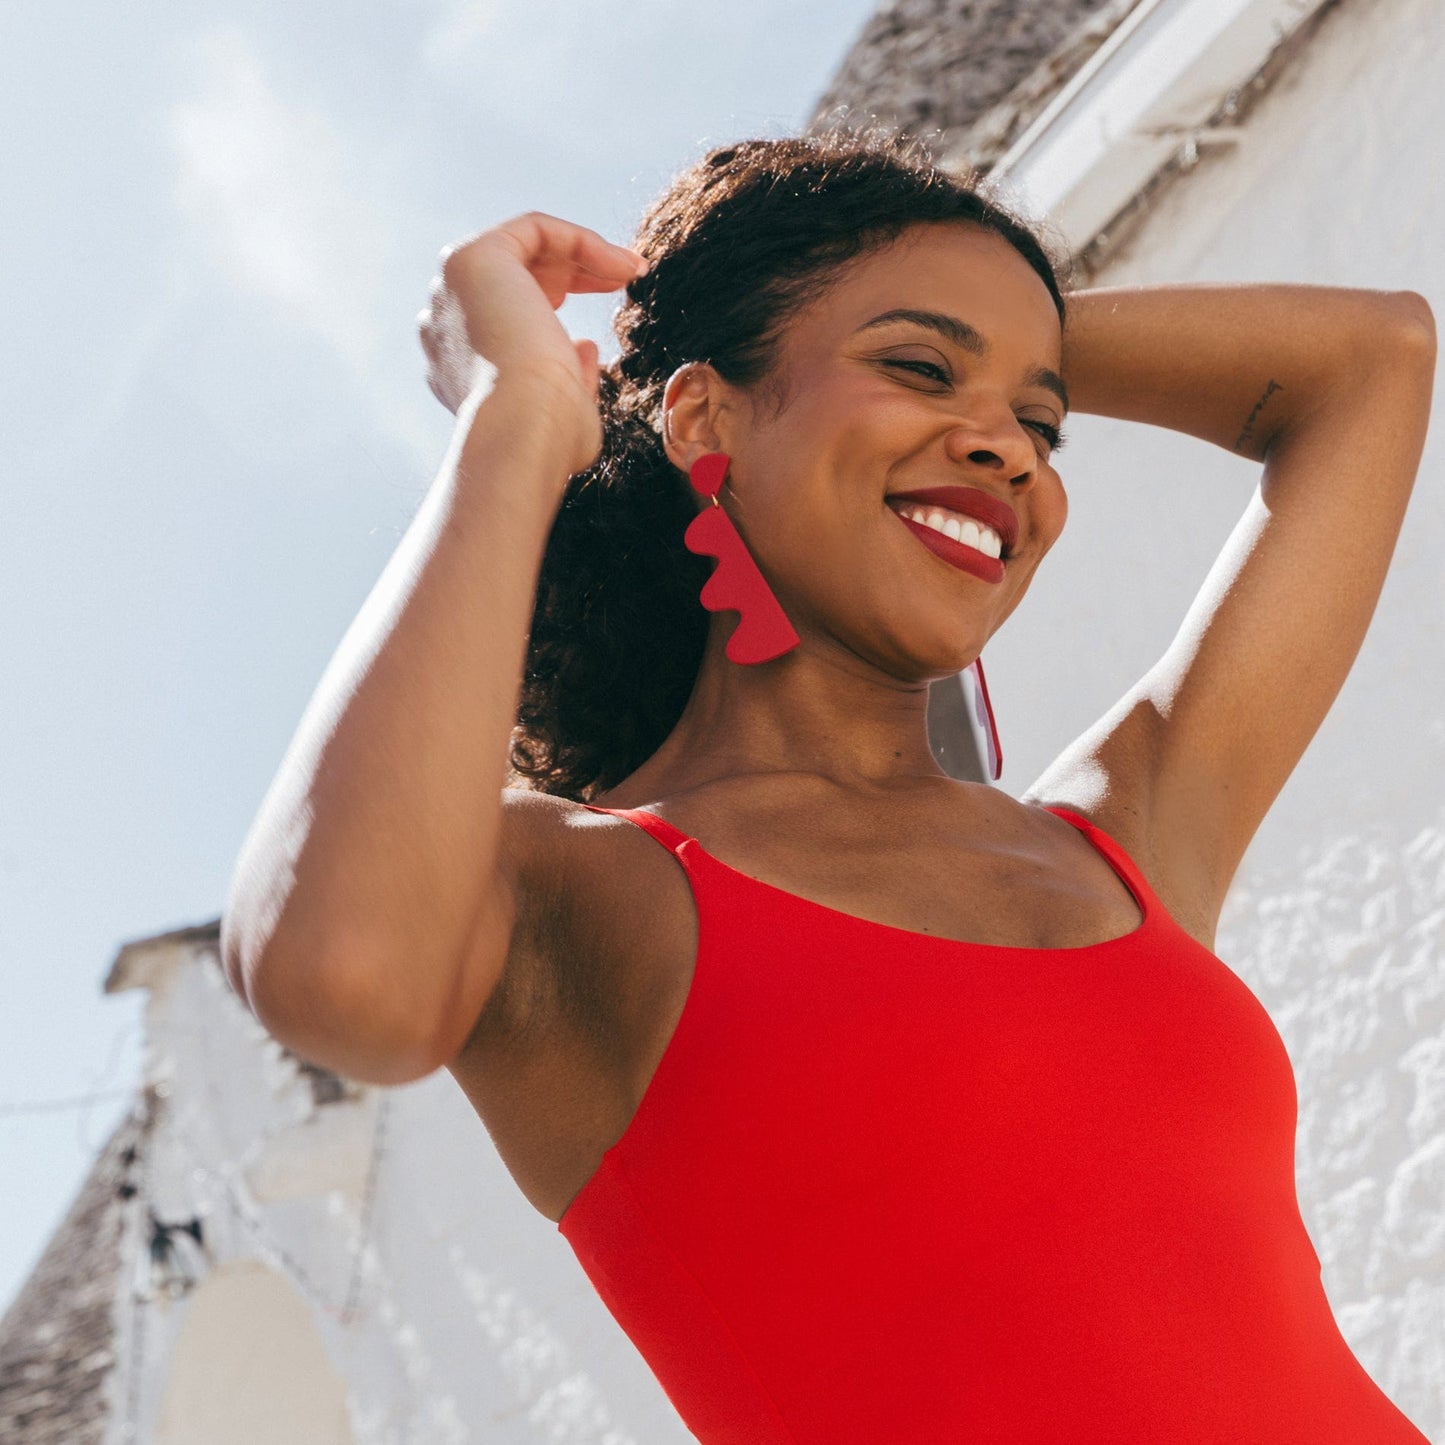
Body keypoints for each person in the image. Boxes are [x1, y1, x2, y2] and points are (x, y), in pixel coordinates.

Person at [220, 132, 1435, 1441]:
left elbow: (1374, 357)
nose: (1011, 452)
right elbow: (340, 975)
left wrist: (986, 334)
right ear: (703, 418)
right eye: (917, 367)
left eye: (1040, 424)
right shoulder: (582, 889)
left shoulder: (1117, 839)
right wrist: (517, 413)